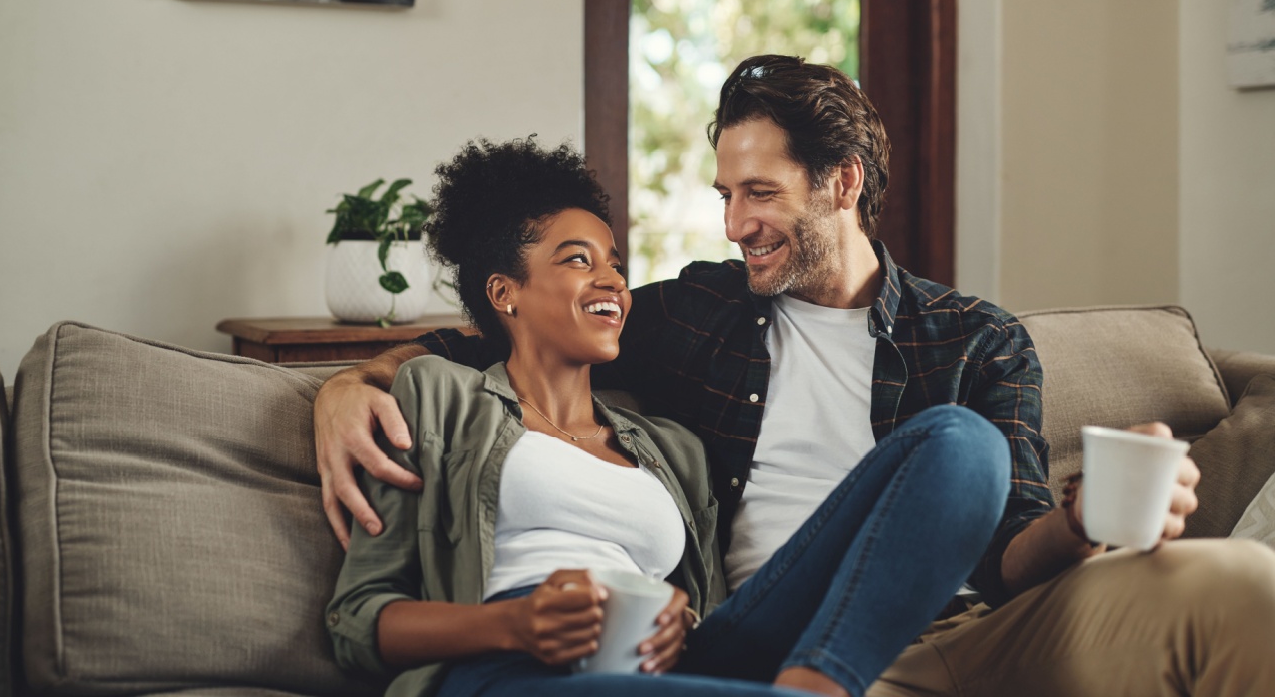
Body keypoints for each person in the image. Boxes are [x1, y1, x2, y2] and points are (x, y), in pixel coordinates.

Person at [317, 56, 1275, 696]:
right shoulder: (698, 310)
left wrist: (1085, 520)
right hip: (766, 645)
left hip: (958, 630)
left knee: (1231, 578)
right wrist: (350, 382)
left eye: (760, 193)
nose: (735, 224)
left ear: (842, 182)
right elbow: (500, 336)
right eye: (726, 196)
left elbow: (1012, 552)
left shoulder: (975, 339)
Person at [325, 136, 1010, 697]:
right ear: (504, 292)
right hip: (508, 672)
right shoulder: (436, 398)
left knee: (961, 443)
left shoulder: (670, 449)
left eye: (616, 265)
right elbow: (356, 622)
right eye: (577, 260)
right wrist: (514, 624)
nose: (612, 281)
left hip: (681, 666)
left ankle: (819, 684)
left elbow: (705, 604)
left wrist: (681, 615)